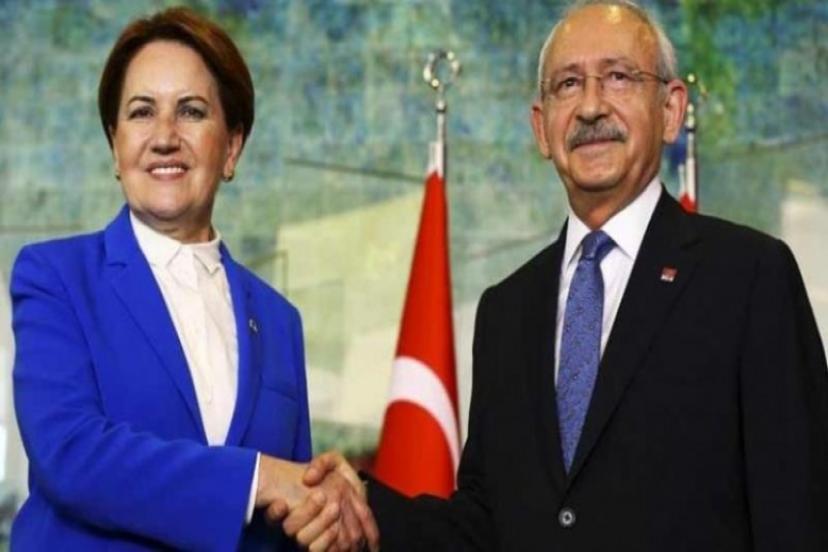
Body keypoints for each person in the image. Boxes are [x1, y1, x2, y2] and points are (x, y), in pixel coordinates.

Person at [295, 0, 828, 549]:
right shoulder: (506, 310)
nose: (591, 106)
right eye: (568, 85)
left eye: (618, 77)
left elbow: (799, 512)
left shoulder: (748, 277)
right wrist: (364, 507)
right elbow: (486, 526)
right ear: (541, 128)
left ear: (670, 110)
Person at [9, 7, 377, 551]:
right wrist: (259, 477)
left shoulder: (279, 321)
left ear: (231, 147)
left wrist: (330, 504)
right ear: (115, 145)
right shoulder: (55, 277)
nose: (164, 137)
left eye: (191, 111)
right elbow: (71, 452)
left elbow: (291, 517)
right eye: (141, 112)